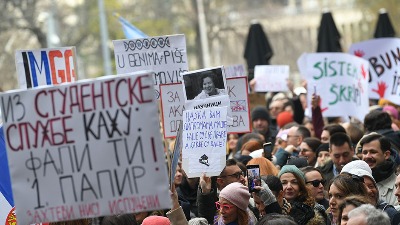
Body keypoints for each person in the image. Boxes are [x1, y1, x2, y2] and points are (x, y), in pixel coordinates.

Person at [341, 160, 400, 225]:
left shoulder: (391, 215)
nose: (369, 191)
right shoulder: (337, 212)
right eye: (361, 187)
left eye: (371, 186)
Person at [359, 133, 398, 206]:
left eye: (373, 152)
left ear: (386, 154)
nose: (367, 156)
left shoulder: (397, 186)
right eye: (365, 152)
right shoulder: (355, 182)